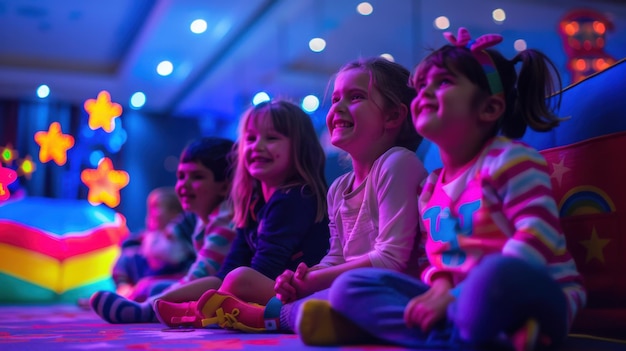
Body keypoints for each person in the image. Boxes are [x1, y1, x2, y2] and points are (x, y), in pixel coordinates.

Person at [302, 27, 587, 350]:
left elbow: (538, 238)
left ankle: (466, 333)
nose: (424, 93)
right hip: (459, 303)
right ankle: (475, 338)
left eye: (444, 83)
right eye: (422, 85)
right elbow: (438, 261)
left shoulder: (511, 161)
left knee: (494, 274)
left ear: (489, 108)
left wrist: (455, 295)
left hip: (527, 292)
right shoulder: (430, 188)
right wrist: (439, 288)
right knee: (350, 288)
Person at [154, 57, 429, 334]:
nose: (338, 108)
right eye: (335, 99)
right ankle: (253, 312)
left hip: (384, 290)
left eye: (356, 97)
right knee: (252, 280)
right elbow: (334, 258)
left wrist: (312, 282)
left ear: (393, 116)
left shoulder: (397, 163)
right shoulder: (339, 187)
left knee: (342, 288)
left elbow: (391, 259)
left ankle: (269, 315)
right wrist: (304, 277)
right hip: (354, 286)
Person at [151, 99, 332, 328]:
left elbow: (262, 272)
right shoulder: (253, 203)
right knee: (223, 279)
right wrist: (165, 297)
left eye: (272, 138)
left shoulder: (295, 197)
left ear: (300, 147)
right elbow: (225, 272)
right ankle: (154, 308)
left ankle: (199, 313)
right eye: (251, 138)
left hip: (300, 293)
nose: (257, 146)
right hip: (269, 286)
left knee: (239, 278)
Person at [90, 136, 237, 323]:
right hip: (209, 285)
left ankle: (150, 310)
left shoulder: (225, 220)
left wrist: (163, 297)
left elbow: (203, 274)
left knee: (155, 288)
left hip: (222, 289)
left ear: (224, 187)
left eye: (197, 176)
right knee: (151, 285)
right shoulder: (204, 219)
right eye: (181, 176)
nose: (184, 184)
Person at [112, 186, 190, 302]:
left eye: (156, 207)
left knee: (154, 289)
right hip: (147, 274)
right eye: (150, 208)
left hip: (171, 274)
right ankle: (124, 290)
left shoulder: (179, 231)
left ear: (174, 214)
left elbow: (174, 255)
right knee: (127, 256)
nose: (151, 213)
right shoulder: (148, 235)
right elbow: (127, 244)